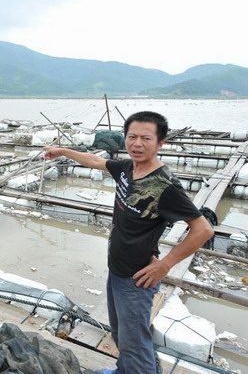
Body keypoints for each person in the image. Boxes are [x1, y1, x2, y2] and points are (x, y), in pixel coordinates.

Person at [44, 111, 214, 374]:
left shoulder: (165, 186)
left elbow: (202, 229)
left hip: (137, 279)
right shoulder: (127, 168)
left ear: (160, 143)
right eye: (132, 137)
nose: (137, 144)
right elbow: (93, 161)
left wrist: (165, 265)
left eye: (146, 138)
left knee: (136, 346)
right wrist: (63, 151)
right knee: (121, 335)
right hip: (117, 269)